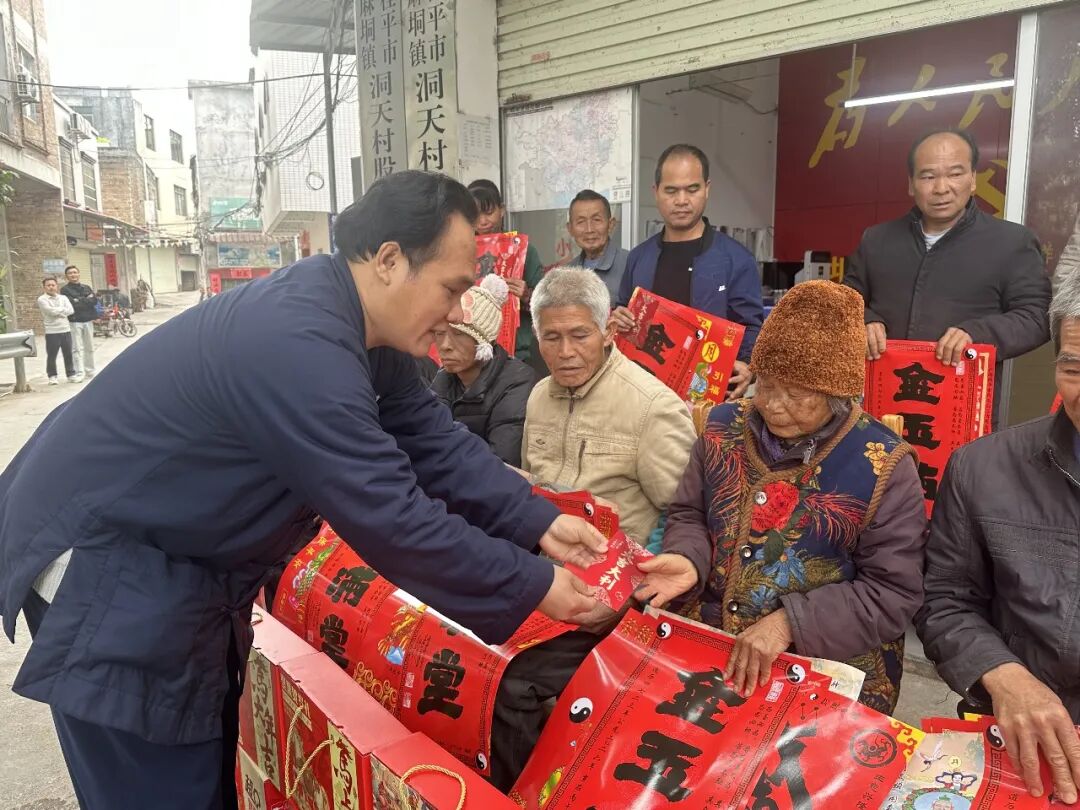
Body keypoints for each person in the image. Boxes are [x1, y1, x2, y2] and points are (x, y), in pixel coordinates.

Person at [0, 171, 610, 809]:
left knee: (201, 765)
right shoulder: (299, 341)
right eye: (452, 289)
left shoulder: (357, 322)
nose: (458, 312)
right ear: (389, 261)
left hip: (174, 559)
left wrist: (535, 519)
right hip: (110, 567)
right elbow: (390, 514)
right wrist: (535, 585)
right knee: (159, 781)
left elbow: (431, 436)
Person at [642, 281, 927, 717]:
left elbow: (892, 592)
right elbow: (689, 512)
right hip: (713, 638)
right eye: (766, 385)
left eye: (796, 394)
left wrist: (789, 623)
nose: (773, 405)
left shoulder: (884, 463)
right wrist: (688, 558)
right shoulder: (721, 427)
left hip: (823, 660)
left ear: (838, 394)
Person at [492, 266, 697, 789]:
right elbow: (536, 490)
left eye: (580, 335)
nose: (565, 352)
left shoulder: (650, 406)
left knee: (512, 683)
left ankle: (527, 796)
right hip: (546, 579)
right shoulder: (539, 396)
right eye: (551, 337)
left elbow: (688, 514)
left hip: (617, 602)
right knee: (463, 641)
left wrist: (632, 592)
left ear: (608, 331)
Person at [915, 269, 1080, 806]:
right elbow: (945, 599)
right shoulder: (983, 468)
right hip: (1018, 737)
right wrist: (1002, 674)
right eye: (1074, 368)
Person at [845, 127, 1051, 429]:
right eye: (928, 176)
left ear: (973, 179)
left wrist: (976, 333)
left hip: (961, 410)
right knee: (877, 458)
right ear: (911, 184)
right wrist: (864, 319)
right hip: (879, 403)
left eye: (955, 174)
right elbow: (845, 300)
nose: (941, 188)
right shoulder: (877, 241)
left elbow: (1037, 317)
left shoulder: (1011, 242)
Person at [613, 144, 764, 400]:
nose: (681, 200)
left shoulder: (736, 259)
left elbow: (751, 327)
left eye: (692, 189)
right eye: (671, 190)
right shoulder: (639, 258)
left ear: (707, 189)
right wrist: (618, 318)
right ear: (656, 192)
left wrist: (749, 366)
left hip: (708, 399)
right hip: (644, 396)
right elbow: (622, 311)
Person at [431, 273, 536, 466]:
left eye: (458, 333)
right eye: (439, 334)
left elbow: (501, 462)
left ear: (483, 341)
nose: (445, 346)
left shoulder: (517, 381)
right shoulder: (443, 378)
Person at [467, 179, 545, 364]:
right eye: (475, 215)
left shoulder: (523, 251)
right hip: (469, 352)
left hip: (516, 354)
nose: (483, 221)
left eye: (489, 212)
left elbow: (546, 306)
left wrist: (527, 295)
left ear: (501, 210)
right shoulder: (460, 252)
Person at [566, 189, 628, 304]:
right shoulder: (566, 273)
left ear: (611, 224)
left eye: (596, 220)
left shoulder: (631, 264)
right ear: (570, 229)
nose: (589, 229)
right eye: (581, 222)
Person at [36, 277, 76, 385]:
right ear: (44, 287)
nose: (51, 287)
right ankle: (52, 376)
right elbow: (50, 312)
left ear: (57, 286)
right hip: (52, 331)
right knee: (52, 355)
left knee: (68, 354)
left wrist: (58, 311)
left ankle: (71, 374)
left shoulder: (63, 298)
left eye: (53, 285)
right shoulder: (42, 299)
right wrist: (63, 311)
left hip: (66, 329)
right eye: (48, 285)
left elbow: (71, 310)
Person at [60, 265, 97, 381]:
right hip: (75, 321)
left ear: (79, 274)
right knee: (76, 348)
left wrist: (78, 300)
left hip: (88, 321)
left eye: (75, 272)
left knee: (89, 347)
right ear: (66, 276)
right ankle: (79, 372)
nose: (73, 275)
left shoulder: (86, 287)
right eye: (70, 273)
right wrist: (86, 299)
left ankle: (90, 372)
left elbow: (94, 301)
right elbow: (72, 305)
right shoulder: (65, 290)